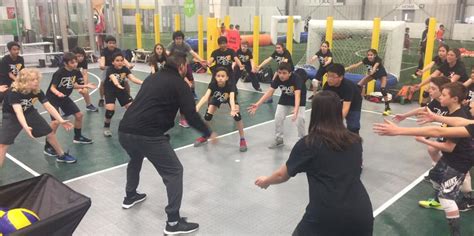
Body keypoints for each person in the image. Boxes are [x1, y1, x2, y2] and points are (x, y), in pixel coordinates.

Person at [118, 52, 216, 235]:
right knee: (174, 172)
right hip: (149, 135)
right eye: (186, 66)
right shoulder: (180, 85)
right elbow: (191, 115)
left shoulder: (152, 78)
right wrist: (208, 132)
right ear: (181, 67)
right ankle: (172, 222)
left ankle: (130, 196)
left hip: (124, 131)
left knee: (135, 158)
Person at [255, 91, 373, 236]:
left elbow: (282, 175)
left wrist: (267, 181)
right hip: (361, 214)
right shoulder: (355, 141)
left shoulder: (308, 144)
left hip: (326, 216)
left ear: (316, 113)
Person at [374, 85, 474, 236]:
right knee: (435, 176)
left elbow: (438, 131)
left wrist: (399, 131)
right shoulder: (460, 115)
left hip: (460, 160)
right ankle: (458, 190)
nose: (471, 104)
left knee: (446, 197)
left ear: (454, 98)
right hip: (453, 157)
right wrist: (435, 117)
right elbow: (463, 122)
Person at [0, 68, 75, 167]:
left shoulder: (37, 91)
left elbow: (48, 106)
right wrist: (26, 126)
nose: (36, 82)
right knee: (3, 145)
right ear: (24, 81)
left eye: (36, 79)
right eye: (32, 80)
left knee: (50, 133)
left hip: (29, 112)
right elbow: (18, 112)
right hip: (11, 116)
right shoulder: (14, 92)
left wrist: (60, 120)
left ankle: (61, 155)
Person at [43, 52, 96, 156]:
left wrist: (85, 86)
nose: (75, 64)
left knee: (79, 115)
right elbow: (52, 88)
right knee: (55, 122)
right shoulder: (59, 73)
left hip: (64, 97)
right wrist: (58, 92)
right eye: (72, 62)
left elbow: (73, 85)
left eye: (76, 62)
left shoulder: (76, 72)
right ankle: (47, 146)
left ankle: (78, 137)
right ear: (66, 63)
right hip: (53, 98)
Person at [393, 76, 450, 167]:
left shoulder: (452, 104)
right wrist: (404, 116)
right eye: (430, 88)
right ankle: (440, 167)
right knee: (432, 149)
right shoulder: (436, 101)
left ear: (443, 90)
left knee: (452, 156)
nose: (429, 90)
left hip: (458, 135)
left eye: (433, 88)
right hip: (447, 132)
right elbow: (423, 109)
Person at [248, 62, 306, 149]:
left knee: (300, 119)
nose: (281, 75)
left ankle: (302, 141)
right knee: (278, 117)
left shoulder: (296, 79)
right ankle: (279, 139)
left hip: (299, 99)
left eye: (284, 73)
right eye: (279, 72)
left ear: (290, 73)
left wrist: (296, 110)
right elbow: (269, 92)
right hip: (285, 98)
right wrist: (258, 104)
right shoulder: (278, 78)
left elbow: (297, 96)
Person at [194, 67, 247, 152]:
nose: (220, 78)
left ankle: (242, 139)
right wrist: (197, 106)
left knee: (237, 116)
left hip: (229, 97)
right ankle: (205, 135)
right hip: (217, 97)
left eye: (223, 76)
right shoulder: (212, 85)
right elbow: (205, 97)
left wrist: (233, 109)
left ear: (227, 78)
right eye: (218, 76)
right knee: (208, 116)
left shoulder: (231, 85)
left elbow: (232, 98)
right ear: (215, 77)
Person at [166, 30, 207, 127]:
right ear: (174, 39)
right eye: (177, 39)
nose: (178, 40)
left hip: (185, 65)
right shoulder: (171, 45)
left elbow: (192, 53)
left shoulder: (185, 45)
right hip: (176, 66)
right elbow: (166, 53)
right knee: (180, 85)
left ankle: (192, 92)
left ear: (182, 39)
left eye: (180, 39)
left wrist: (201, 60)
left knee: (191, 81)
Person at [103, 52, 143, 137]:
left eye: (121, 60)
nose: (120, 62)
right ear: (113, 62)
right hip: (110, 90)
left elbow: (133, 78)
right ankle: (106, 127)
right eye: (117, 60)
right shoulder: (110, 69)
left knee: (132, 107)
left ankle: (131, 125)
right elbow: (113, 78)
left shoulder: (125, 69)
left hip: (120, 90)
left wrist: (143, 82)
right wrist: (117, 84)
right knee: (110, 110)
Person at [346, 48, 392, 116]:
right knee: (358, 85)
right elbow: (356, 65)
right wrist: (345, 68)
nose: (369, 56)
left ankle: (387, 108)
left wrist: (371, 72)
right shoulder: (366, 60)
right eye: (368, 55)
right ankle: (354, 102)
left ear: (375, 55)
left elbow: (375, 67)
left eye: (371, 55)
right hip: (372, 74)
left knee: (383, 89)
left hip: (381, 74)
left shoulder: (378, 59)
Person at [322, 63, 363, 134]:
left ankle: (355, 142)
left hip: (354, 103)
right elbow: (325, 103)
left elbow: (345, 108)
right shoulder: (327, 86)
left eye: (332, 77)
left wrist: (337, 122)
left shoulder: (348, 87)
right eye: (328, 76)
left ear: (341, 77)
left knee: (353, 126)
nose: (329, 79)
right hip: (338, 101)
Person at [98, 36, 133, 107]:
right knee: (102, 82)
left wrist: (129, 65)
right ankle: (102, 99)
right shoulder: (104, 51)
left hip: (118, 68)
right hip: (108, 68)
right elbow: (102, 59)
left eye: (113, 43)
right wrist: (102, 65)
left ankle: (128, 96)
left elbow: (123, 59)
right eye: (110, 43)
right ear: (106, 44)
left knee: (126, 81)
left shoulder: (118, 50)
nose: (112, 45)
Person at [72, 47, 98, 112]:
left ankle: (88, 105)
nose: (81, 58)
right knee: (65, 90)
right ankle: (63, 108)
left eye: (82, 56)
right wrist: (78, 87)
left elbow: (85, 73)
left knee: (85, 91)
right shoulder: (70, 61)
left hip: (77, 73)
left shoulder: (84, 61)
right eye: (78, 56)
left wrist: (86, 86)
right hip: (68, 74)